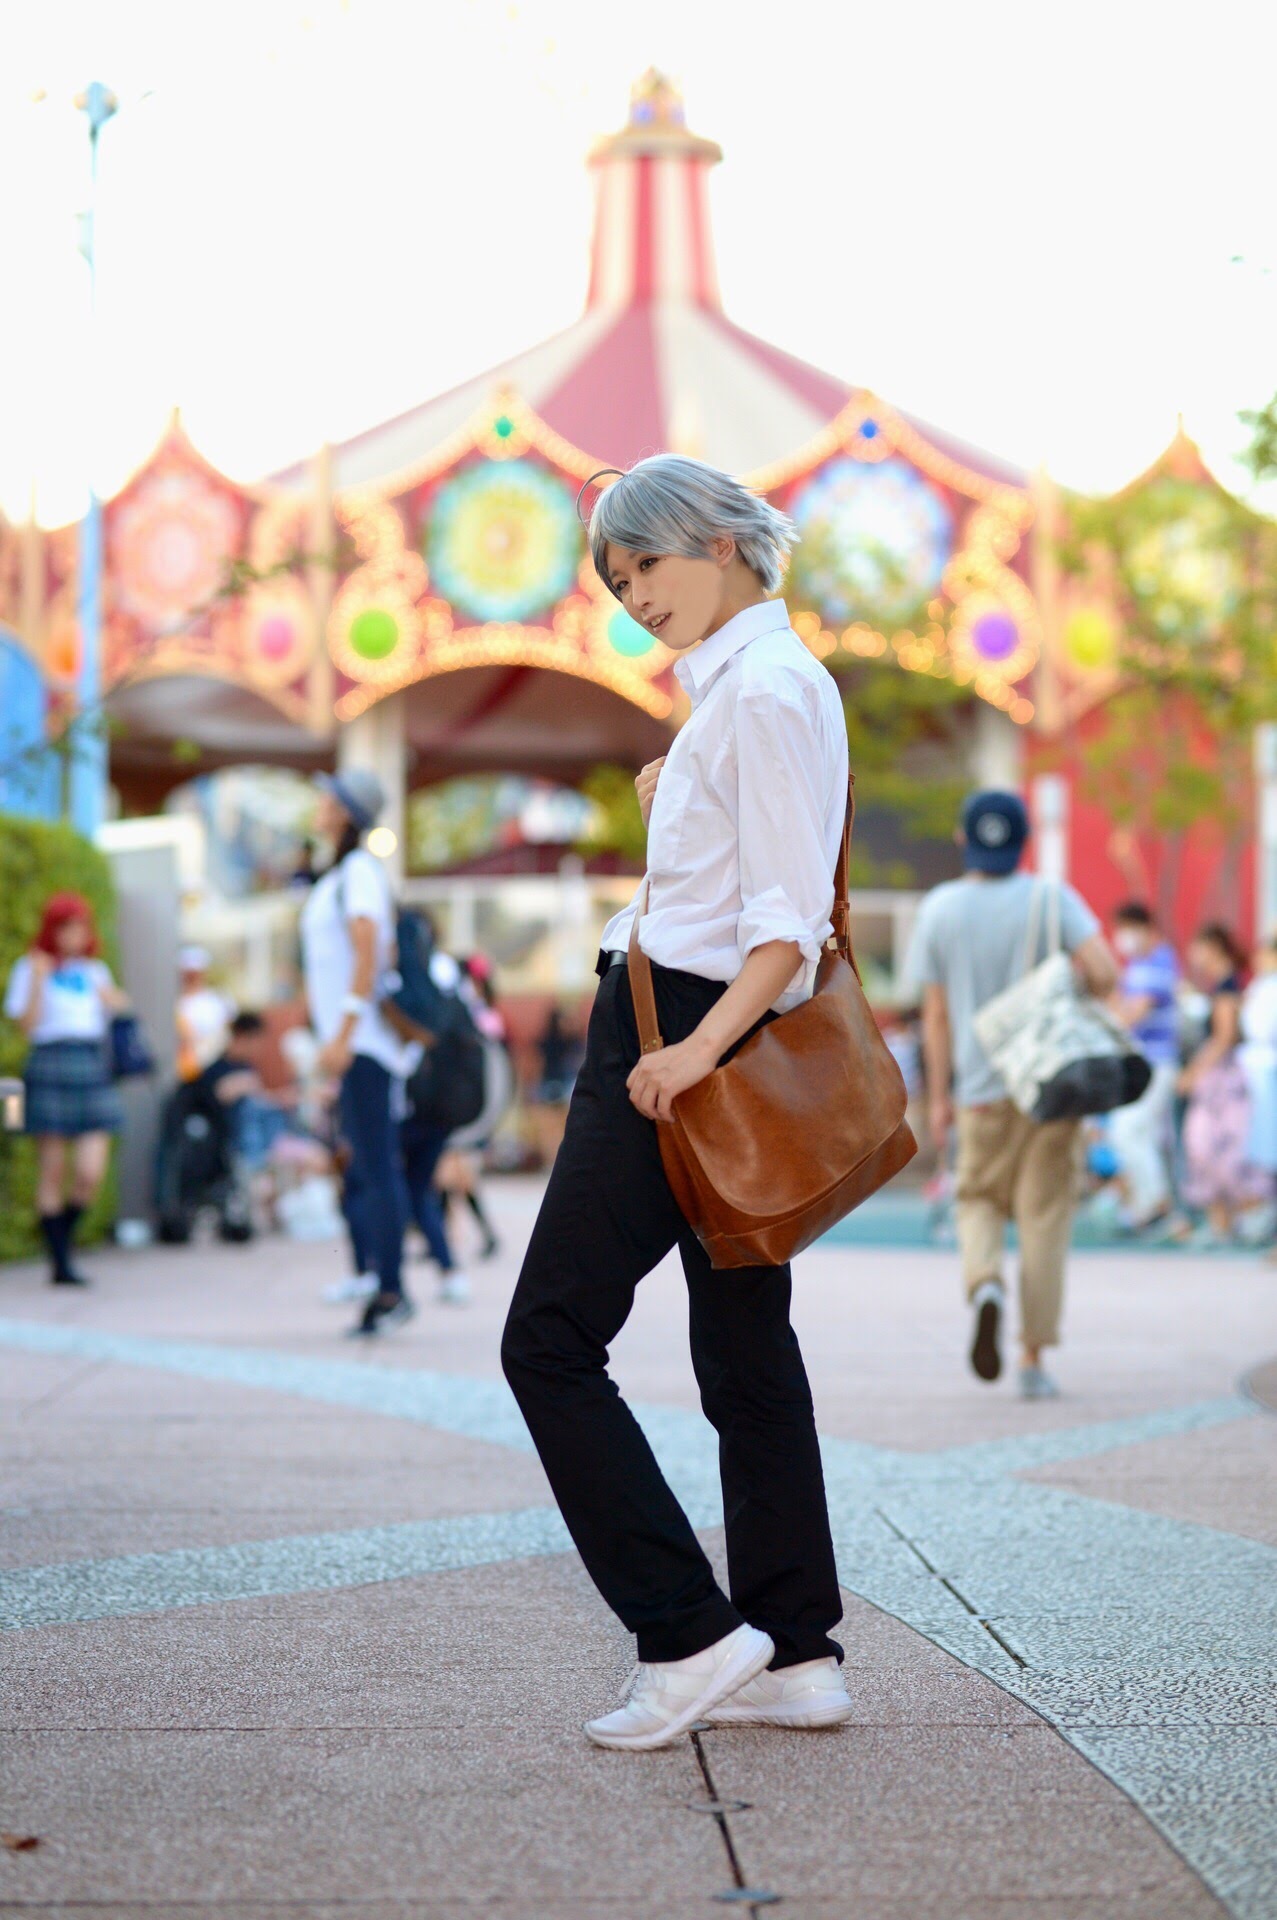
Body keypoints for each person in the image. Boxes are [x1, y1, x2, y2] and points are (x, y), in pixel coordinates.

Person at [501, 453, 854, 1751]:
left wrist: (690, 1053)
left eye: (642, 562)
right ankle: (792, 1654)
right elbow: (748, 877)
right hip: (696, 1032)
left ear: (712, 536)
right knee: (746, 1355)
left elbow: (786, 929)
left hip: (679, 1041)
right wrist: (677, 793)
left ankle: (687, 1633)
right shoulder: (747, 690)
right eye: (614, 582)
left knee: (547, 1342)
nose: (633, 595)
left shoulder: (761, 690)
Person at [906, 792, 1118, 1400]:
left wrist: (940, 1099)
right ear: (1024, 841)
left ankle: (985, 1283)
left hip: (979, 1093)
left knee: (975, 1199)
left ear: (961, 838)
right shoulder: (1053, 899)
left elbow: (936, 1015)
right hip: (1051, 1089)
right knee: (1044, 1219)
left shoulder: (940, 908)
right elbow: (1106, 974)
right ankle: (1032, 1357)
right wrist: (1067, 978)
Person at [300, 768, 417, 1335]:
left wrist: (344, 1034)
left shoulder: (359, 873)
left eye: (328, 796)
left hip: (364, 1046)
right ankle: (381, 1282)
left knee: (376, 1167)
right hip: (354, 1045)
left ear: (345, 810)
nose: (319, 803)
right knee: (366, 1169)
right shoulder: (343, 874)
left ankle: (391, 1291)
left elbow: (369, 955)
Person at [3, 893, 129, 1286]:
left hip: (90, 1063)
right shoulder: (31, 967)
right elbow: (26, 1025)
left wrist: (110, 997)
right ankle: (60, 1262)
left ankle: (61, 1238)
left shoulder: (94, 970)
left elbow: (121, 1010)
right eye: (66, 928)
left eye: (80, 928)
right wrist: (39, 979)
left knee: (90, 1172)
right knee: (53, 1169)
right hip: (50, 1062)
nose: (74, 936)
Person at [1178, 923, 1265, 1244]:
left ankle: (1238, 1216)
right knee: (1210, 1147)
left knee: (1216, 1147)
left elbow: (1224, 1036)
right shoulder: (1221, 985)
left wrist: (1194, 1072)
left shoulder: (1228, 986)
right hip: (1221, 1079)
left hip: (1223, 1083)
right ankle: (1222, 1221)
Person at [1108, 902, 1180, 1232]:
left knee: (1130, 1128)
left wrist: (1110, 1018)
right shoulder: (1136, 965)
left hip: (1157, 1062)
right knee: (1137, 1134)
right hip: (1138, 1062)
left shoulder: (1160, 961)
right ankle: (1147, 1206)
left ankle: (1156, 1204)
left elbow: (1131, 1014)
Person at [175, 946, 234, 1083]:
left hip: (215, 1067)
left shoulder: (218, 1000)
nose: (192, 977)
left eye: (195, 973)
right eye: (188, 973)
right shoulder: (176, 1002)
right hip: (186, 1070)